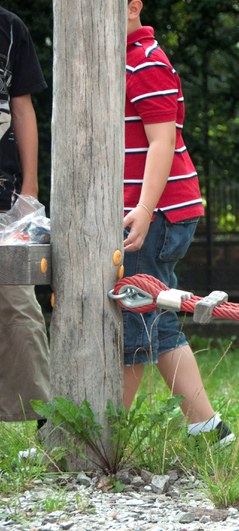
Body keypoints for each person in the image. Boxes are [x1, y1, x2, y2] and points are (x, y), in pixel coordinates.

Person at [123, 0, 233, 445]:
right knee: (149, 317)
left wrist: (145, 211)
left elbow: (162, 141)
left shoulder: (145, 61)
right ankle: (208, 428)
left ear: (133, 7)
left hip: (157, 213)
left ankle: (99, 432)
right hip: (146, 210)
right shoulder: (117, 61)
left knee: (134, 317)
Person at [0, 7, 51, 427]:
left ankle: (45, 418)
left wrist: (29, 189)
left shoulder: (10, 28)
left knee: (19, 305)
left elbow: (23, 107)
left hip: (3, 197)